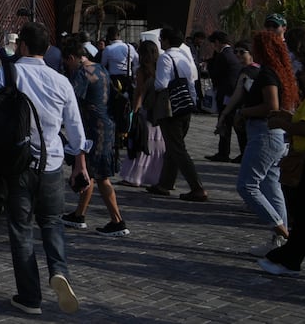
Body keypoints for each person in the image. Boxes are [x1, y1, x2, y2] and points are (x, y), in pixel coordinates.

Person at [0, 21, 87, 316]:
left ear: (22, 45)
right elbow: (76, 130)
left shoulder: (6, 74)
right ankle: (59, 271)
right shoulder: (60, 81)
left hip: (18, 164)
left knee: (21, 229)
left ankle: (30, 296)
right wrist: (80, 165)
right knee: (52, 222)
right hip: (53, 164)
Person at [236, 30, 299, 254]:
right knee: (272, 186)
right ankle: (280, 242)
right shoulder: (282, 73)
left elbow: (271, 106)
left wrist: (245, 112)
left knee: (247, 185)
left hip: (265, 133)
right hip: (274, 135)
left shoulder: (267, 74)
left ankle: (282, 231)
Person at [60, 36, 129, 236]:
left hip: (94, 128)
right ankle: (79, 215)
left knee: (101, 177)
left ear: (73, 57)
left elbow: (70, 100)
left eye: (68, 62)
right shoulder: (100, 68)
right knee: (89, 172)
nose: (68, 66)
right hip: (107, 125)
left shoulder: (82, 74)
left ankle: (117, 221)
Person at [259, 55, 305, 275]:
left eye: (304, 72)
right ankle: (289, 258)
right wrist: (288, 118)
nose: (299, 76)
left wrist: (282, 123)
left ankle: (288, 259)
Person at [148, 26, 209, 202]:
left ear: (166, 40)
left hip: (170, 107)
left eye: (161, 39)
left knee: (177, 148)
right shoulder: (186, 56)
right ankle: (164, 183)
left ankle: (197, 187)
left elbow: (161, 84)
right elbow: (192, 81)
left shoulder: (166, 58)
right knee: (173, 146)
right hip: (185, 105)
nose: (160, 42)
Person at [118, 39, 166, 187]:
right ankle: (156, 177)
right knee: (157, 147)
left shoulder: (141, 71)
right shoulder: (161, 68)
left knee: (140, 144)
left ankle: (135, 176)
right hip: (159, 113)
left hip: (146, 111)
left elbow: (139, 93)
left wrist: (134, 112)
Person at [204, 30, 244, 161]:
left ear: (217, 42)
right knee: (233, 123)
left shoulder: (222, 55)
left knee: (224, 122)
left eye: (213, 44)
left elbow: (215, 74)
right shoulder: (232, 53)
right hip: (233, 92)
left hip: (225, 93)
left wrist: (210, 63)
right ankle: (236, 151)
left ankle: (223, 152)